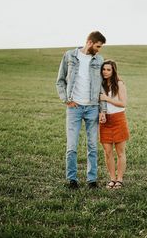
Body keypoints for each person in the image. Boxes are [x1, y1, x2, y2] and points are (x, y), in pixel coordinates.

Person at [56, 31, 107, 189]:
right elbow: (60, 81)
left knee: (92, 145)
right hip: (74, 108)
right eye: (98, 46)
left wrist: (102, 110)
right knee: (72, 146)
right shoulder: (70, 56)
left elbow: (102, 87)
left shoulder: (99, 60)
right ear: (90, 42)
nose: (99, 50)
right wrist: (66, 100)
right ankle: (72, 179)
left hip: (92, 107)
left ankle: (92, 180)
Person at [99, 60, 130, 189]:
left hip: (118, 119)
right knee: (107, 152)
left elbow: (123, 103)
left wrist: (107, 98)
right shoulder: (100, 84)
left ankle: (120, 179)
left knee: (120, 152)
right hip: (105, 121)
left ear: (113, 71)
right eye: (104, 69)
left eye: (108, 70)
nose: (105, 72)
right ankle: (112, 178)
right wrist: (101, 113)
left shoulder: (119, 84)